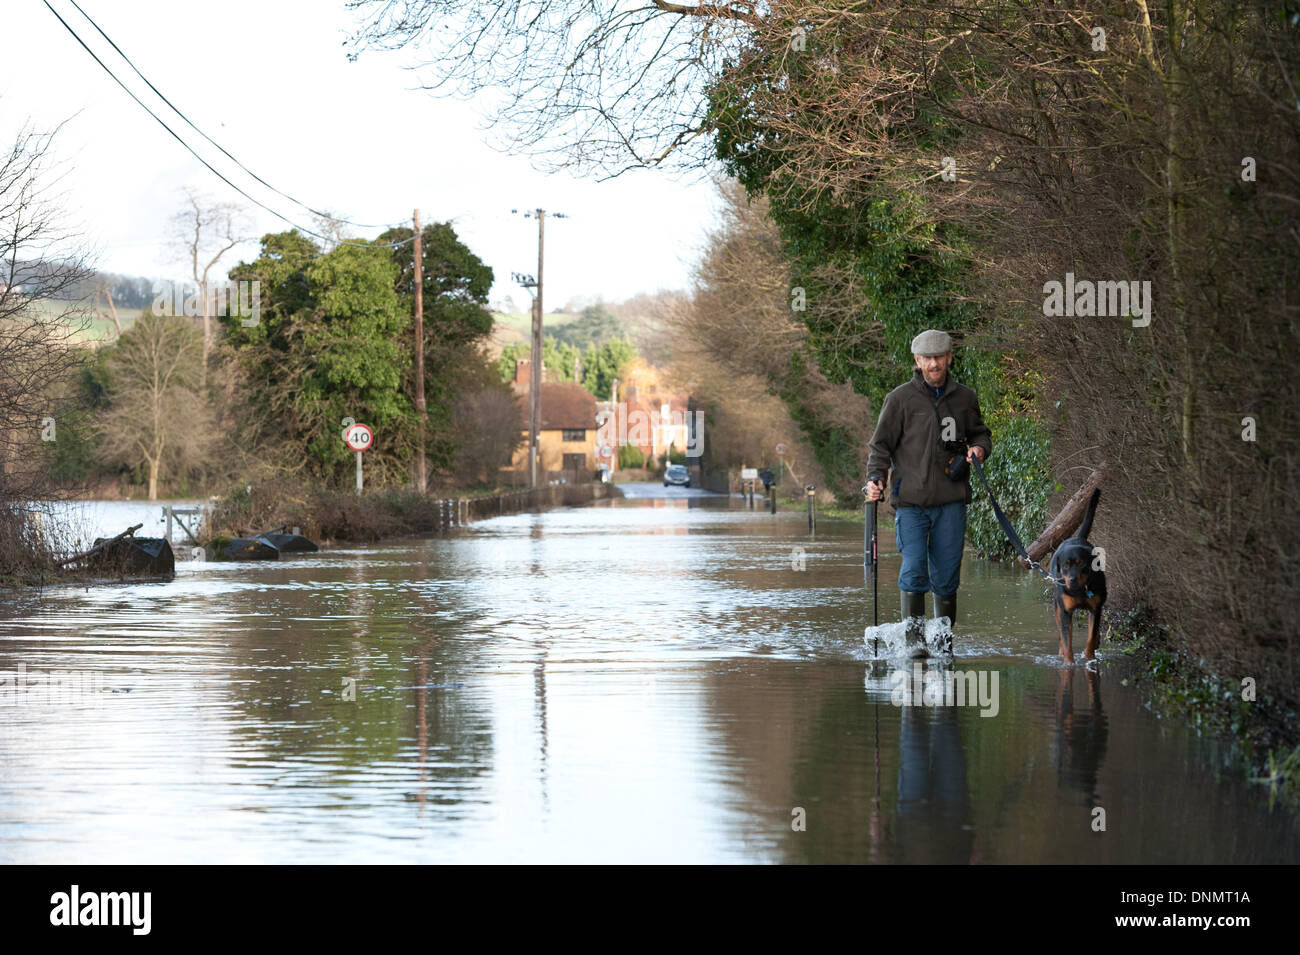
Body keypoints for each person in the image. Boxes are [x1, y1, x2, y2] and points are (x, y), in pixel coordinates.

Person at [865, 329, 992, 653]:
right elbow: (880, 446)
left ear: (949, 357)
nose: (934, 364)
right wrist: (875, 479)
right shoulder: (899, 400)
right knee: (914, 570)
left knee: (948, 577)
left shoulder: (964, 398)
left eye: (939, 357)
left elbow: (981, 434)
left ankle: (944, 645)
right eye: (927, 358)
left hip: (951, 502)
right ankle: (914, 644)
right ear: (917, 360)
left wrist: (978, 450)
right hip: (911, 503)